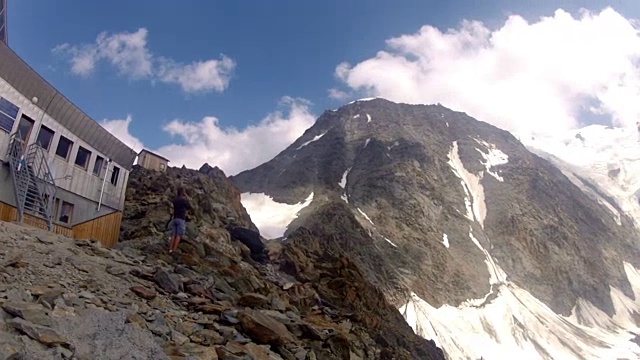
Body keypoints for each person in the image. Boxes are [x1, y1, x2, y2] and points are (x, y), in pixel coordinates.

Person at [169, 187, 192, 253]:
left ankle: (170, 249)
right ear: (182, 193)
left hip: (175, 218)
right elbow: (189, 207)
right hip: (181, 219)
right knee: (178, 235)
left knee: (173, 234)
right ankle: (174, 249)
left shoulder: (175, 200)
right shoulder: (183, 200)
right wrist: (187, 197)